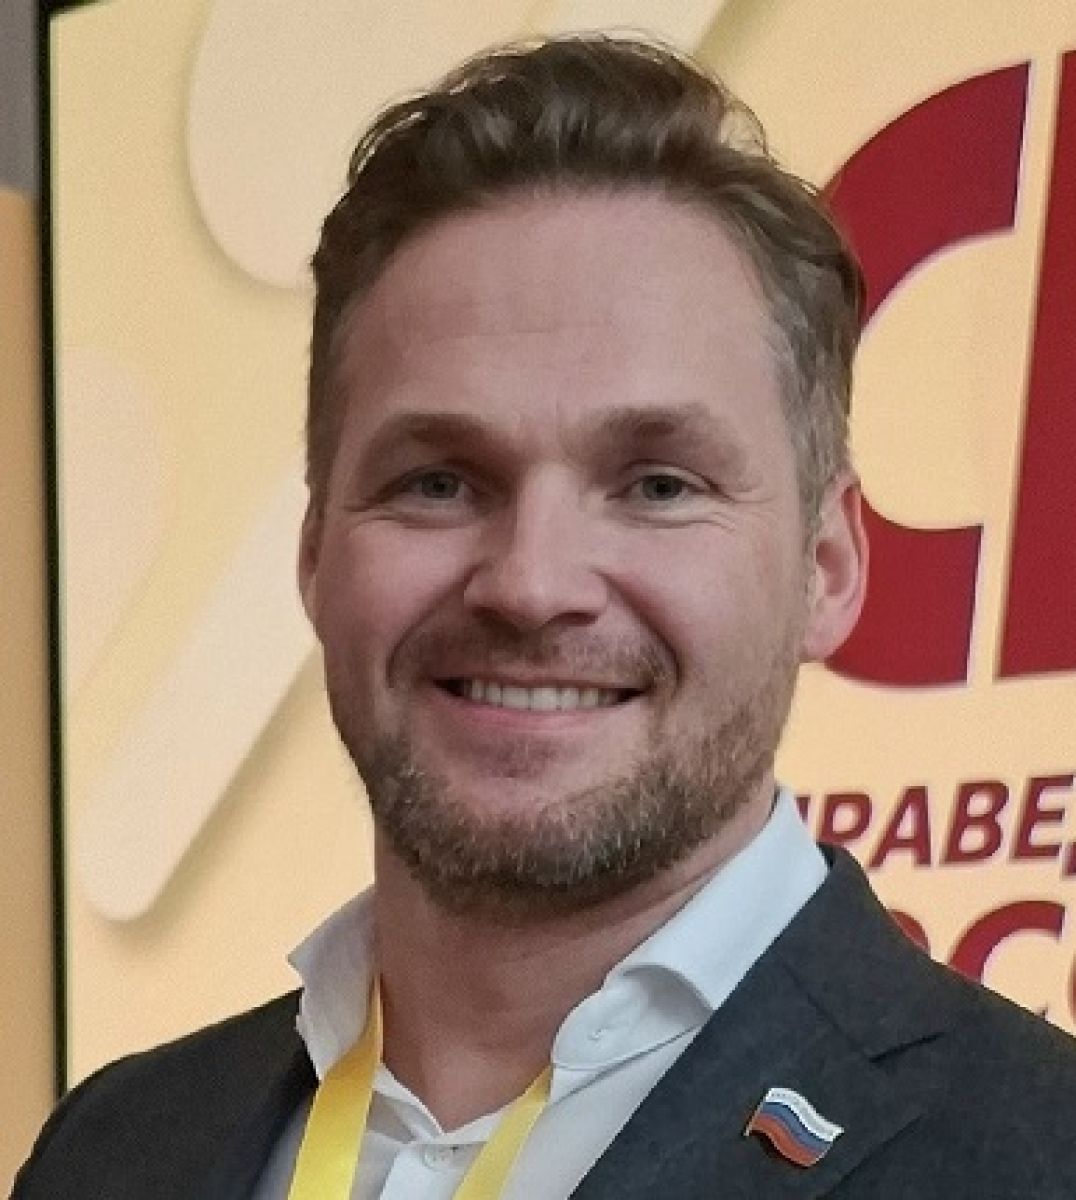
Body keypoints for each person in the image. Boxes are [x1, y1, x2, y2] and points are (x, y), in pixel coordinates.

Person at [14, 35, 1076, 1200]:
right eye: (437, 482)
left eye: (656, 485)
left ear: (825, 567)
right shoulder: (110, 1149)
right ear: (315, 554)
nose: (529, 582)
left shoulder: (1037, 1152)